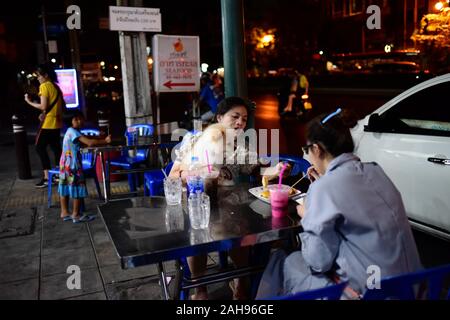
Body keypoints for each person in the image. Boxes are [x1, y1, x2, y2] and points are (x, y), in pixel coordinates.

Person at [256, 108, 422, 299]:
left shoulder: (325, 188)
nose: (307, 155)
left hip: (372, 292)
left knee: (286, 260)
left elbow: (318, 261)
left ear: (317, 150)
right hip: (414, 286)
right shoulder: (376, 171)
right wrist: (322, 187)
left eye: (306, 150)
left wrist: (310, 213)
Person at [169, 97, 289, 300]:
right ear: (219, 117)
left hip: (229, 203)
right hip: (195, 200)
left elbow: (258, 169)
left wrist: (275, 169)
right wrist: (188, 175)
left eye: (244, 118)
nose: (240, 122)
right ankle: (200, 290)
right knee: (197, 234)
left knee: (238, 229)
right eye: (235, 116)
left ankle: (241, 281)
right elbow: (173, 175)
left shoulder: (241, 145)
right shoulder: (195, 139)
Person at [59, 110, 111, 223]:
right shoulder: (73, 132)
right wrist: (104, 140)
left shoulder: (71, 131)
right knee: (77, 188)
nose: (79, 121)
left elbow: (84, 137)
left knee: (64, 187)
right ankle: (76, 215)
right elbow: (89, 142)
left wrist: (97, 136)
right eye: (76, 119)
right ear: (70, 122)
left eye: (80, 118)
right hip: (73, 165)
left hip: (64, 164)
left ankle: (64, 212)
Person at [24, 63, 64, 188]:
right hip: (57, 123)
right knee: (56, 149)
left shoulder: (44, 86)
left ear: (45, 75)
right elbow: (57, 106)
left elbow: (43, 106)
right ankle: (58, 175)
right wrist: (44, 113)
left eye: (39, 75)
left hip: (47, 124)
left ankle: (47, 177)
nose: (38, 78)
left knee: (40, 148)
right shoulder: (55, 87)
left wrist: (29, 101)